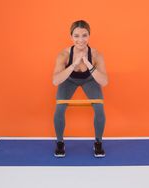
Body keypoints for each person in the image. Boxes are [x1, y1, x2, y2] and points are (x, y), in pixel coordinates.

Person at [52, 20, 108, 158]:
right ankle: (60, 143)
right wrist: (73, 65)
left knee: (99, 107)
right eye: (76, 36)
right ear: (71, 37)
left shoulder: (96, 55)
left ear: (89, 36)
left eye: (84, 35)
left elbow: (104, 82)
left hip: (89, 80)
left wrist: (89, 64)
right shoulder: (64, 55)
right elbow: (55, 81)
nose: (81, 40)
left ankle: (98, 143)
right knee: (60, 108)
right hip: (69, 80)